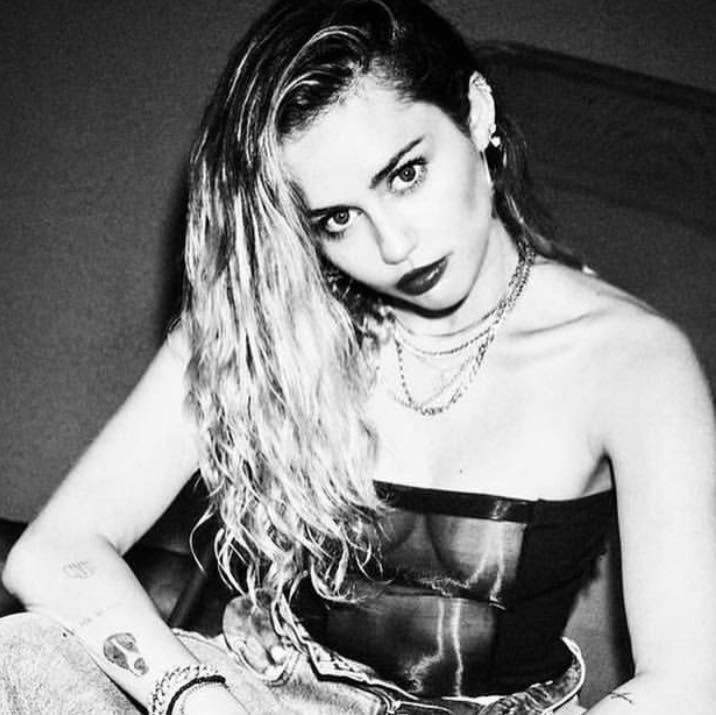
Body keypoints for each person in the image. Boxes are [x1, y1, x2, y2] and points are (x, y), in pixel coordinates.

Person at [1, 0, 715, 713]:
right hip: (265, 696)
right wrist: (193, 697)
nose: (395, 246)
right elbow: (55, 548)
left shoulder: (633, 361)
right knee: (25, 655)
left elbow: (688, 683)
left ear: (476, 114)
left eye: (406, 174)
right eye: (338, 219)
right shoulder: (270, 320)